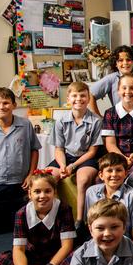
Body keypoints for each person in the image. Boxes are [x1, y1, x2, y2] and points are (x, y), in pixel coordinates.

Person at [0, 171, 74, 265]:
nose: (42, 196)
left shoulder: (64, 209)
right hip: (33, 257)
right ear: (30, 194)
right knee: (1, 260)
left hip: (56, 259)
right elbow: (19, 249)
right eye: (37, 191)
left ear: (54, 192)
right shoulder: (21, 213)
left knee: (77, 258)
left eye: (47, 191)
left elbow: (67, 246)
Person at [48, 82, 102, 234]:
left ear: (88, 97)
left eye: (83, 95)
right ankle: (55, 218)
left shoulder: (96, 121)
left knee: (83, 179)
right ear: (68, 99)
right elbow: (58, 149)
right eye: (74, 96)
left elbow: (92, 151)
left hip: (87, 157)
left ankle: (79, 222)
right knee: (46, 177)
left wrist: (73, 167)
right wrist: (63, 166)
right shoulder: (60, 121)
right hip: (65, 157)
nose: (79, 99)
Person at [0, 87, 41, 233]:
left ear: (14, 105)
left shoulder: (25, 125)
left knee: (19, 227)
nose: (1, 107)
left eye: (6, 103)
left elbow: (34, 149)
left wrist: (31, 174)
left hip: (20, 184)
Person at [85, 153, 133, 250]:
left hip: (123, 245)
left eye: (118, 170)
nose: (114, 174)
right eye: (109, 170)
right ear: (101, 175)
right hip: (97, 243)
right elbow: (90, 224)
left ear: (125, 173)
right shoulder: (91, 192)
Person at [88, 45, 133, 116]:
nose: (125, 63)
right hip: (119, 119)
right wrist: (98, 117)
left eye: (128, 60)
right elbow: (90, 94)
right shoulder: (111, 78)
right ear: (116, 64)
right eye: (120, 60)